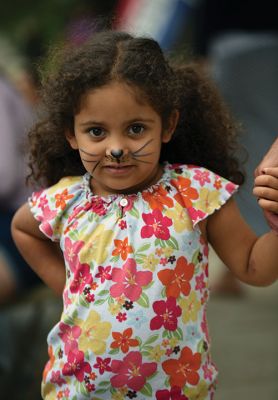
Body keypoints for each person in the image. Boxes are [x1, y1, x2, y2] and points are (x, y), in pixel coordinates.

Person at [11, 31, 278, 400]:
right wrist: (69, 288)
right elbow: (23, 229)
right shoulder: (65, 199)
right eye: (96, 132)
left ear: (167, 125)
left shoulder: (195, 191)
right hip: (76, 389)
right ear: (71, 134)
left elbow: (254, 267)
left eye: (136, 129)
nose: (117, 148)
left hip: (176, 390)